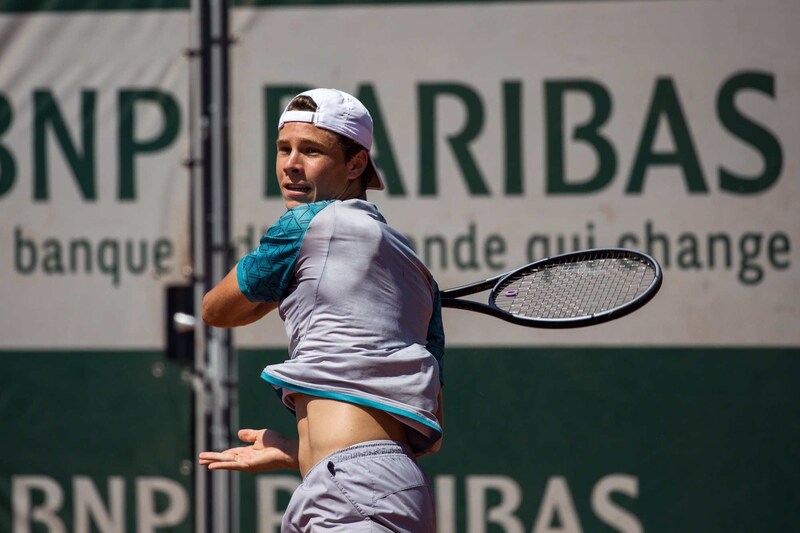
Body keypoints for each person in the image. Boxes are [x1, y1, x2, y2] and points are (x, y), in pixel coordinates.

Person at [198, 88, 445, 532]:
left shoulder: (309, 222)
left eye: (311, 150)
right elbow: (423, 427)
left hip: (354, 493)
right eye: (283, 149)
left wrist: (283, 279)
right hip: (373, 486)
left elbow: (218, 309)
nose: (292, 163)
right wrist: (300, 450)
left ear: (356, 164)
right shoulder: (421, 276)